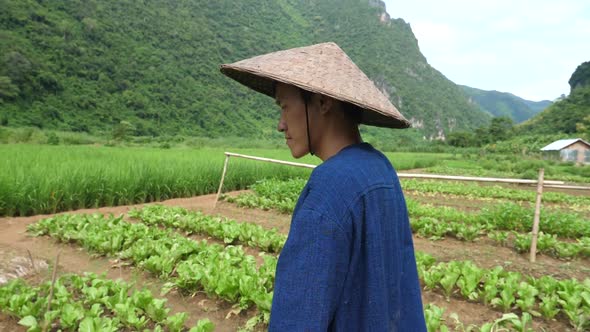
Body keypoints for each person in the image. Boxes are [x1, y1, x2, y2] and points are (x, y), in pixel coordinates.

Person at [221, 42, 426, 331]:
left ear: (321, 101)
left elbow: (298, 317)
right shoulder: (381, 168)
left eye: (284, 106)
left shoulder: (330, 186)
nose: (280, 124)